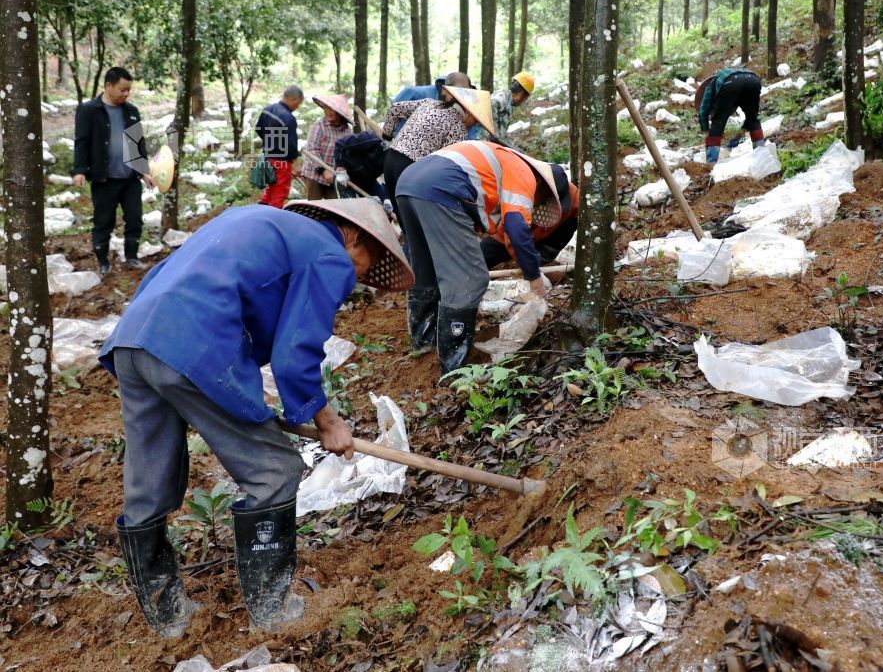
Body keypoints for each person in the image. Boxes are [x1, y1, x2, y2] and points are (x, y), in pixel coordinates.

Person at [98, 198, 413, 637]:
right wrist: (327, 420)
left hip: (134, 340)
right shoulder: (328, 255)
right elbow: (294, 356)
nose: (359, 277)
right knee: (275, 470)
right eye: (367, 263)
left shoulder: (253, 219)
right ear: (352, 236)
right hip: (192, 347)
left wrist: (240, 378)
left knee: (148, 482)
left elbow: (186, 283)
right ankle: (273, 609)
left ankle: (167, 615)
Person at [395, 140, 562, 375]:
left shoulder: (499, 160)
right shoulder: (524, 172)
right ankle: (454, 368)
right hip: (441, 188)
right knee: (470, 278)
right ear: (542, 185)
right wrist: (533, 275)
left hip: (409, 182)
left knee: (426, 268)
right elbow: (516, 226)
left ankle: (424, 342)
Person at [73, 66, 155, 274]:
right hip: (104, 178)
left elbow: (138, 143)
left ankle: (132, 256)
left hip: (129, 179)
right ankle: (103, 261)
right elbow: (81, 142)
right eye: (122, 89)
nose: (126, 94)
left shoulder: (131, 111)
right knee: (103, 221)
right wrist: (80, 170)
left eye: (129, 90)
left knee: (135, 219)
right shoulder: (89, 110)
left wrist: (143, 171)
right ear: (108, 86)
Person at [380, 85, 496, 214]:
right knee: (415, 220)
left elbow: (395, 108)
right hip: (411, 170)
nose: (474, 125)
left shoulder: (429, 103)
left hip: (390, 160)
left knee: (402, 215)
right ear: (468, 112)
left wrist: (387, 135)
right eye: (475, 121)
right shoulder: (459, 128)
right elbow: (449, 165)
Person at [480, 162, 578, 269]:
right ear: (538, 183)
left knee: (569, 224)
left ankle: (540, 259)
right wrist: (530, 268)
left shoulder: (572, 195)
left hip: (547, 237)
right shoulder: (520, 192)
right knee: (478, 260)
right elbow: (513, 234)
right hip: (509, 236)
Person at [695, 68, 765, 165]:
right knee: (754, 120)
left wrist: (707, 131)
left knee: (717, 124)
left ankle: (711, 165)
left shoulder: (711, 86)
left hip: (731, 82)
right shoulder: (733, 91)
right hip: (754, 80)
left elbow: (703, 110)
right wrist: (739, 134)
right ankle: (761, 159)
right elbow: (751, 118)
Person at [256, 86, 304, 208]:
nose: (297, 107)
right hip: (281, 161)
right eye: (298, 104)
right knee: (279, 193)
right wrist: (296, 163)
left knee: (270, 190)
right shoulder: (288, 118)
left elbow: (259, 129)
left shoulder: (267, 110)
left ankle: (260, 212)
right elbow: (291, 145)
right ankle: (271, 220)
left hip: (267, 157)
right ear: (293, 99)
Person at [301, 94, 353, 200]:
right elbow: (312, 150)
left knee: (334, 206)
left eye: (332, 110)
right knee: (314, 206)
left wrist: (342, 170)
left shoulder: (347, 130)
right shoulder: (319, 126)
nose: (328, 112)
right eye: (326, 108)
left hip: (334, 175)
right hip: (314, 174)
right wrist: (323, 171)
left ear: (339, 113)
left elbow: (347, 152)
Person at [470, 72, 534, 143]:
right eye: (526, 98)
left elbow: (502, 133)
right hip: (481, 141)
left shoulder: (509, 102)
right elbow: (491, 103)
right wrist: (494, 132)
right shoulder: (503, 96)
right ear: (522, 94)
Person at [392, 71, 472, 103]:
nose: (460, 96)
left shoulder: (469, 102)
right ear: (445, 90)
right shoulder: (413, 93)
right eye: (457, 92)